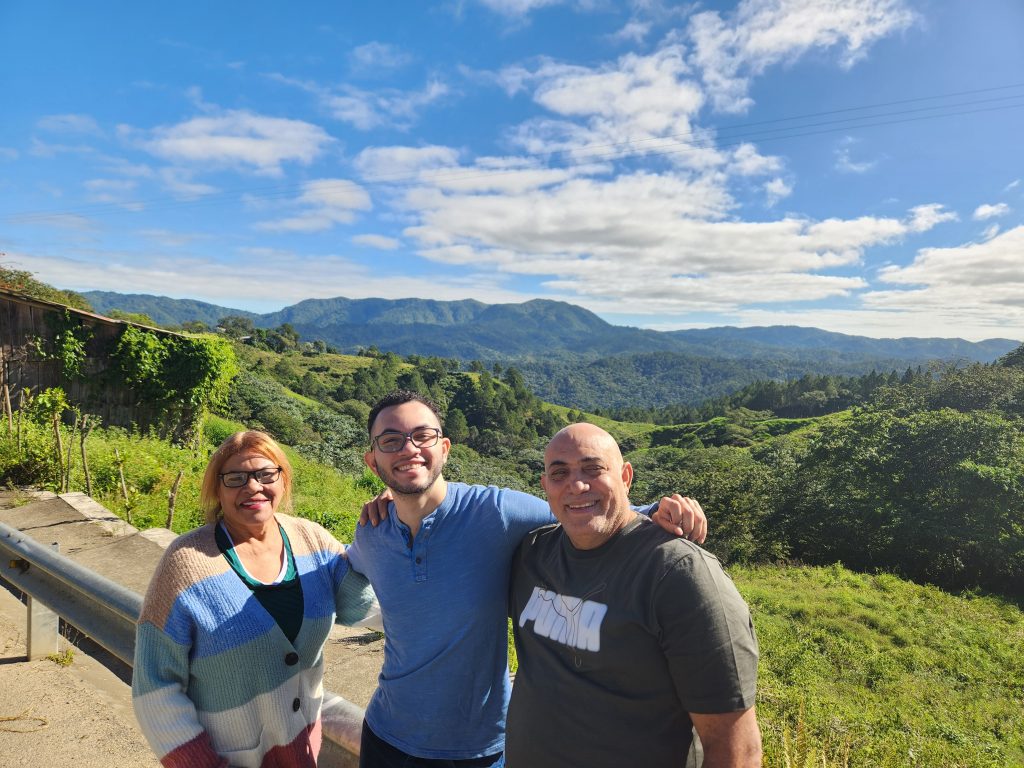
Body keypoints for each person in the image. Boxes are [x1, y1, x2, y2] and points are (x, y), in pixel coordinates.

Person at [346, 390, 708, 768]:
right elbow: (342, 565)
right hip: (385, 737)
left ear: (446, 447)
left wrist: (657, 511)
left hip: (479, 749)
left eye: (423, 435)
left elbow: (576, 510)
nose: (409, 449)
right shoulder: (371, 531)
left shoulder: (494, 512)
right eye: (391, 441)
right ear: (373, 461)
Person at [506, 423, 761, 768]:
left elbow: (736, 750)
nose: (576, 485)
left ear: (626, 477)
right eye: (559, 473)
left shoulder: (678, 573)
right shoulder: (532, 555)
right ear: (545, 486)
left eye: (594, 469)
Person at [132, 431, 380, 768]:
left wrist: (395, 526)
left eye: (266, 474)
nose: (253, 487)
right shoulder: (186, 563)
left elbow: (369, 606)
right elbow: (155, 689)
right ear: (216, 491)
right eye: (235, 478)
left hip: (304, 747)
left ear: (283, 480)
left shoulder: (312, 540)